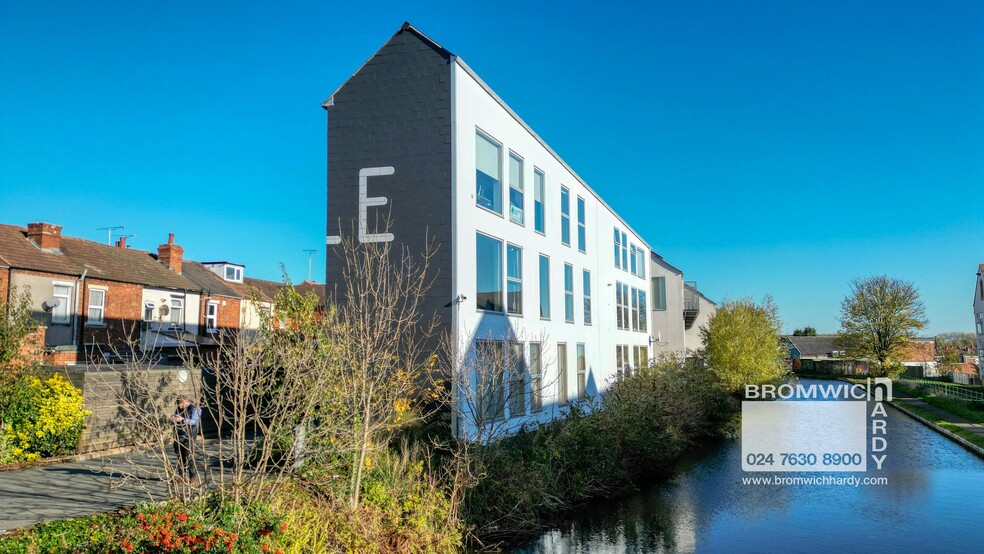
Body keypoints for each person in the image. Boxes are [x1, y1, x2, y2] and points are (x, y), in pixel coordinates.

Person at [171, 397, 201, 483]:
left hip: (189, 436)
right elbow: (174, 415)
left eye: (181, 405)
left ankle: (192, 476)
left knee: (189, 456)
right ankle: (181, 476)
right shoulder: (178, 409)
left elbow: (195, 421)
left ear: (186, 402)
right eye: (179, 406)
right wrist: (173, 418)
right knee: (180, 456)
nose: (180, 407)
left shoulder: (195, 409)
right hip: (178, 435)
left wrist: (183, 420)